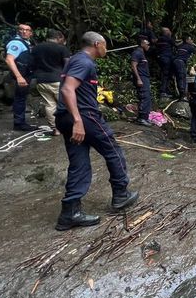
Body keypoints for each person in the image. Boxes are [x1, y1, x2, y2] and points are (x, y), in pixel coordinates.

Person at [54, 31, 139, 231]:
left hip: (65, 117)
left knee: (79, 161)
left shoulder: (75, 60)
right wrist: (78, 121)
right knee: (113, 150)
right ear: (97, 44)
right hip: (84, 116)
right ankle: (121, 194)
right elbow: (67, 89)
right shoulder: (85, 62)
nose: (106, 49)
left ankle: (70, 212)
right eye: (105, 45)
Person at [32, 29, 70, 136]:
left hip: (41, 81)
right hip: (58, 80)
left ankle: (56, 129)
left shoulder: (36, 48)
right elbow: (67, 65)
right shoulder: (62, 48)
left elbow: (32, 64)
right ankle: (69, 126)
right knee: (65, 104)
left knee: (49, 105)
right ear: (58, 37)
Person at [5, 24, 36, 131]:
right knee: (20, 99)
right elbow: (9, 59)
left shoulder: (25, 43)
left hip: (25, 74)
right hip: (20, 76)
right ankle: (19, 123)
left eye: (27, 30)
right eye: (22, 30)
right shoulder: (16, 43)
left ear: (31, 33)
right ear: (18, 31)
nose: (24, 32)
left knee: (21, 98)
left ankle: (20, 122)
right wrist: (19, 77)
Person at [131, 39, 152, 126]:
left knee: (147, 97)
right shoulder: (137, 53)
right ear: (142, 44)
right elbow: (133, 65)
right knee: (144, 96)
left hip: (145, 78)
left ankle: (145, 117)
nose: (149, 46)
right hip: (141, 77)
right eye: (147, 44)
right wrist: (138, 79)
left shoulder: (142, 53)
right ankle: (141, 118)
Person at [172, 35, 196, 100]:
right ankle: (182, 95)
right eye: (190, 39)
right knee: (182, 78)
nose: (192, 41)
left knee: (179, 78)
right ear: (186, 40)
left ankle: (181, 94)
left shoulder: (180, 46)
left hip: (175, 62)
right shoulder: (189, 46)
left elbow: (176, 43)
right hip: (180, 62)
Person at [156, 27, 175, 98]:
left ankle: (166, 90)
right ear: (166, 32)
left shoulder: (159, 39)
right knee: (166, 75)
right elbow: (176, 45)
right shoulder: (168, 39)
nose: (170, 32)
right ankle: (163, 91)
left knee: (165, 74)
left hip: (160, 58)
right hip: (166, 58)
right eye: (169, 30)